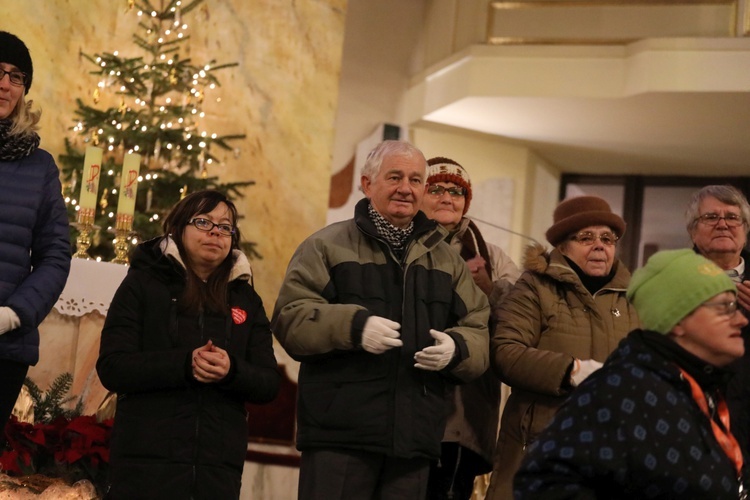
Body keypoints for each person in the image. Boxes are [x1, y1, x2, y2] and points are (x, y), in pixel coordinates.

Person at [271, 140, 491, 500]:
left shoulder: (447, 261)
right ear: (367, 184)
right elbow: (290, 318)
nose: (406, 188)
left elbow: (479, 324)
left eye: (416, 180)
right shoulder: (326, 245)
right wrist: (354, 327)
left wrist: (458, 348)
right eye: (395, 177)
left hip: (414, 441)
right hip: (340, 436)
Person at [515, 249, 749, 499]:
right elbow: (543, 482)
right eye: (725, 307)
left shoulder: (695, 389)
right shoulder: (621, 389)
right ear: (678, 319)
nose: (741, 320)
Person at [97, 190, 281, 499]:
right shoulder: (143, 284)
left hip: (217, 468)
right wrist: (184, 364)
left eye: (225, 227)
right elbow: (113, 366)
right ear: (178, 228)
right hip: (146, 466)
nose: (215, 232)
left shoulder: (245, 298)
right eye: (203, 222)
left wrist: (231, 370)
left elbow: (268, 383)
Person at [486, 195, 640, 499]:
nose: (599, 245)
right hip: (542, 446)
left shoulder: (633, 298)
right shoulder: (535, 287)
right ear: (563, 245)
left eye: (607, 238)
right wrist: (571, 371)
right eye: (586, 237)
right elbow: (505, 351)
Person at [421, 156, 521, 500]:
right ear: (418, 193)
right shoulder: (399, 245)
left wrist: (490, 289)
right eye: (436, 189)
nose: (447, 197)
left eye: (456, 191)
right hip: (404, 409)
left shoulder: (492, 256)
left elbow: (521, 320)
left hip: (464, 416)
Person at [0, 31, 71, 435]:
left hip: (4, 344)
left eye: (16, 76)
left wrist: (14, 315)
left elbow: (55, 255)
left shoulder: (39, 166)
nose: (5, 84)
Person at [687, 184, 750, 458]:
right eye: (711, 217)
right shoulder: (663, 281)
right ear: (692, 230)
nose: (723, 224)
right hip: (686, 427)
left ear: (745, 230)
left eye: (732, 217)